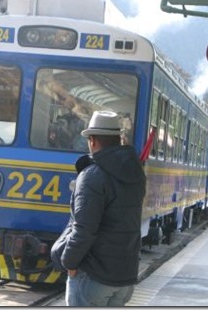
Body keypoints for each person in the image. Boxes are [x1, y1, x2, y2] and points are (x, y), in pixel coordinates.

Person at [53, 110, 146, 306]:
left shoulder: (92, 175)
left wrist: (69, 263)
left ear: (92, 141)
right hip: (124, 277)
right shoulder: (136, 173)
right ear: (119, 139)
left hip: (94, 277)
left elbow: (84, 228)